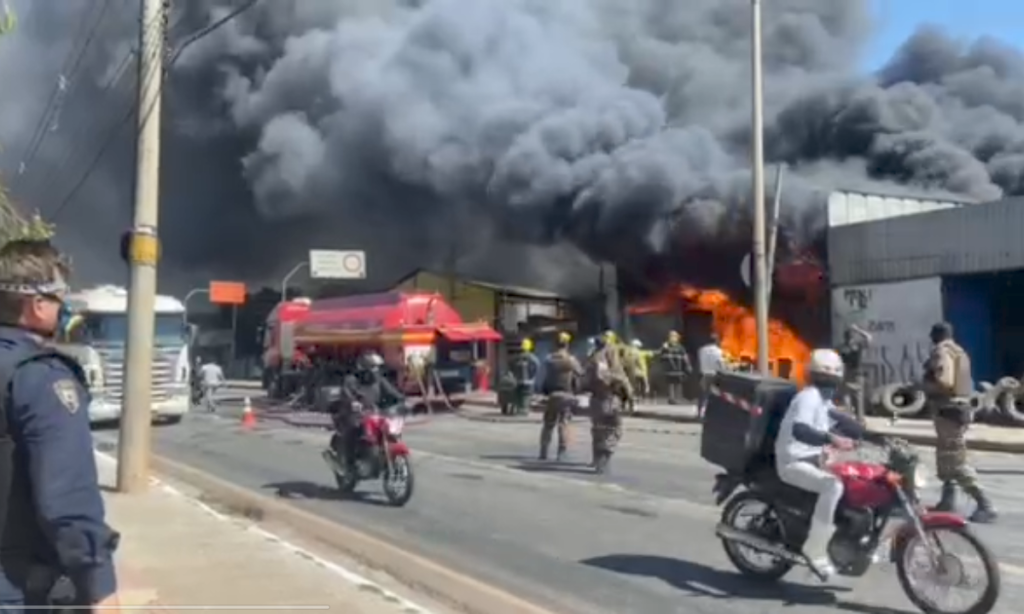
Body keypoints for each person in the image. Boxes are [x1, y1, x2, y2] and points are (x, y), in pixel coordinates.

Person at [0, 240, 120, 611]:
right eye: (58, 297)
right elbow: (66, 497)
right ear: (37, 305)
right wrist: (101, 585)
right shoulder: (40, 378)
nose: (63, 307)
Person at [775, 348, 874, 580]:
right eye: (826, 378)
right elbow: (800, 430)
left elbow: (845, 421)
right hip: (793, 461)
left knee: (855, 479)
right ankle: (815, 549)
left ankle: (843, 536)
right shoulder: (808, 397)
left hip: (814, 459)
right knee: (834, 486)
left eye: (833, 379)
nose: (831, 383)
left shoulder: (823, 399)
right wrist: (832, 438)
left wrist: (877, 437)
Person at [924, 322, 996, 523]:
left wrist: (926, 385)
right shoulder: (960, 351)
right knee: (947, 457)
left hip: (948, 410)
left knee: (955, 462)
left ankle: (985, 505)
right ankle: (947, 502)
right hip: (959, 409)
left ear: (936, 336)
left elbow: (944, 381)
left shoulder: (941, 351)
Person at [330, 352, 405, 472]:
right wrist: (352, 402)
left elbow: (392, 393)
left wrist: (402, 400)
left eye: (377, 368)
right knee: (353, 429)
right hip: (353, 415)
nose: (376, 371)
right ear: (364, 368)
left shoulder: (379, 380)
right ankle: (348, 464)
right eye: (373, 367)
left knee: (389, 429)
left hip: (374, 414)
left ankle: (381, 457)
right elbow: (346, 394)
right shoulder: (351, 380)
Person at [585, 335, 631, 474]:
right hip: (608, 398)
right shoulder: (602, 359)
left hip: (597, 400)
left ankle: (598, 459)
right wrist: (623, 387)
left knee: (599, 430)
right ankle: (603, 457)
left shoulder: (592, 357)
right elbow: (604, 377)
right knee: (614, 429)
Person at [539, 332, 583, 462]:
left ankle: (543, 451)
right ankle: (561, 452)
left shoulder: (549, 359)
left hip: (552, 395)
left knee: (548, 424)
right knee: (563, 424)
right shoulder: (571, 360)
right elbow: (581, 373)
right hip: (566, 395)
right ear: (567, 344)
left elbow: (543, 376)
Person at [838, 324, 872, 423]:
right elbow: (868, 337)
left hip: (848, 372)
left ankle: (849, 419)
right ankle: (859, 420)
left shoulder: (842, 347)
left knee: (847, 396)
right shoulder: (857, 345)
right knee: (857, 398)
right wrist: (858, 330)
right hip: (856, 372)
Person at [697, 334, 726, 419]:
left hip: (704, 375)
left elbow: (699, 362)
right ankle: (712, 414)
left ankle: (700, 414)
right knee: (714, 396)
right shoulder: (718, 351)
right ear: (716, 341)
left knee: (703, 396)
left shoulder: (701, 350)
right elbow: (720, 364)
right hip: (714, 376)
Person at [659, 331, 690, 404]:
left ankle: (678, 398)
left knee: (678, 384)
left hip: (678, 369)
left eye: (674, 336)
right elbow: (661, 357)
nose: (673, 338)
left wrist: (688, 365)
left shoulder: (680, 347)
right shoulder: (666, 346)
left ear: (677, 338)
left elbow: (685, 356)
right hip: (669, 369)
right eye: (671, 336)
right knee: (671, 384)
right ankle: (671, 399)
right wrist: (664, 348)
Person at [510, 338, 540, 416]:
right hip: (529, 381)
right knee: (527, 395)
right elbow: (537, 367)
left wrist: (515, 375)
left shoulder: (517, 358)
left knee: (519, 394)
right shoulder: (533, 358)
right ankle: (525, 409)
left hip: (518, 380)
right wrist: (532, 376)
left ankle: (519, 409)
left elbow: (512, 367)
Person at [624, 340, 649, 410]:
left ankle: (633, 401)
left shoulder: (628, 352)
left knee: (632, 387)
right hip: (638, 372)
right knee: (639, 385)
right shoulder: (637, 353)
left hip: (631, 372)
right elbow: (640, 362)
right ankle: (637, 399)